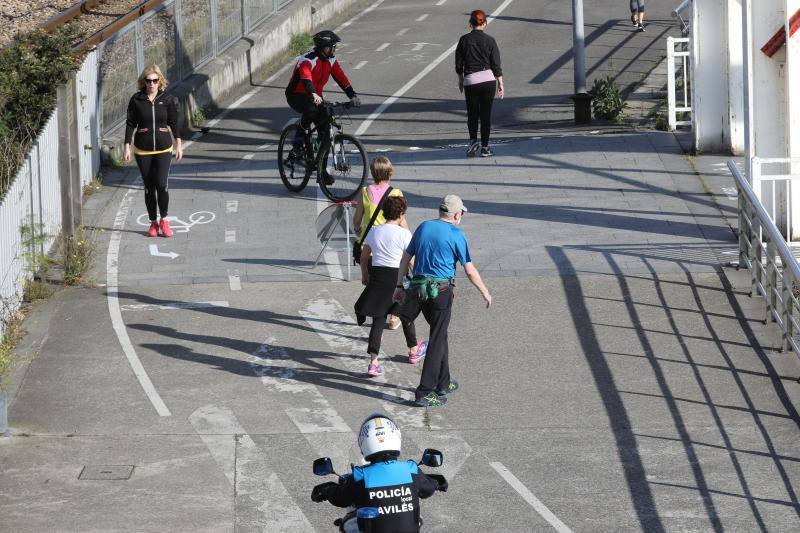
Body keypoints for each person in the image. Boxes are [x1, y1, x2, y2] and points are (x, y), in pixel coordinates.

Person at [393, 195, 491, 408]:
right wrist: (484, 291)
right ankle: (424, 391)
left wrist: (399, 286)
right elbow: (469, 269)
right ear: (456, 215)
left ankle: (443, 383)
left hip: (419, 291)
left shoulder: (424, 227)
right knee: (437, 339)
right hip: (441, 292)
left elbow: (405, 258)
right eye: (461, 213)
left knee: (440, 333)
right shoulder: (457, 234)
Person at [311, 413, 447, 533]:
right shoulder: (410, 470)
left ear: (364, 443)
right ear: (396, 437)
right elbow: (427, 489)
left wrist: (326, 490)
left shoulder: (361, 476)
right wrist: (437, 483)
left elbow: (340, 498)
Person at [355, 196, 427, 378]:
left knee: (378, 319)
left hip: (378, 278)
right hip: (398, 279)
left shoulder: (374, 231)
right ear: (401, 214)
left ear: (384, 212)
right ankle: (413, 351)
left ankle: (373, 362)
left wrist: (365, 275)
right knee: (406, 315)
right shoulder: (404, 234)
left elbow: (364, 258)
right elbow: (411, 262)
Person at [285, 30, 361, 184]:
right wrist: (313, 93)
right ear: (324, 47)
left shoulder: (331, 60)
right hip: (297, 94)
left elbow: (341, 78)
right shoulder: (307, 59)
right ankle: (298, 143)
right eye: (333, 46)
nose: (335, 49)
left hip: (315, 96)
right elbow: (306, 79)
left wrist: (352, 95)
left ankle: (321, 171)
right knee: (311, 111)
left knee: (326, 132)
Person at [124, 64, 182, 237]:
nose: (151, 84)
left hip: (164, 147)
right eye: (148, 81)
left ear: (160, 81)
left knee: (162, 185)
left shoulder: (168, 99)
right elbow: (130, 123)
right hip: (143, 149)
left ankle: (164, 220)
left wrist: (179, 144)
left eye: (155, 80)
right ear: (144, 81)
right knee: (149, 187)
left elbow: (174, 122)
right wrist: (127, 146)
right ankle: (153, 223)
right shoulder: (136, 99)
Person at [353, 156, 408, 331]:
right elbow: (401, 221)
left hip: (370, 248)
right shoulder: (396, 193)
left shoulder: (364, 192)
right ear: (390, 173)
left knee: (375, 285)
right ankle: (393, 317)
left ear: (372, 173)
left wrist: (358, 230)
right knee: (397, 282)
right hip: (392, 247)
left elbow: (357, 220)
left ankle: (378, 319)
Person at [455, 9, 504, 158]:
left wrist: (461, 80)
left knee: (472, 114)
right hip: (488, 80)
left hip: (471, 80)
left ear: (470, 23)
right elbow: (496, 64)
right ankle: (485, 148)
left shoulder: (464, 40)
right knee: (485, 115)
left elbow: (459, 64)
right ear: (485, 23)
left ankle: (472, 142)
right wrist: (500, 83)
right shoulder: (490, 40)